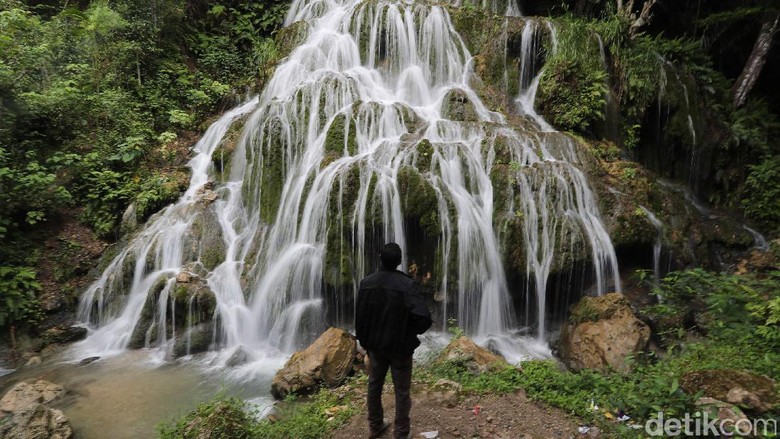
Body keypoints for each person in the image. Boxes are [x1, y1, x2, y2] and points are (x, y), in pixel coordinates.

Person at [355, 243, 432, 439]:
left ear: (380, 259)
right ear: (399, 262)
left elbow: (361, 317)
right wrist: (409, 332)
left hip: (376, 346)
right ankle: (401, 433)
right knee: (402, 391)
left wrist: (364, 341)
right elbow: (424, 318)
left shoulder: (366, 283)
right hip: (400, 347)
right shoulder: (407, 285)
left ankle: (375, 425)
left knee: (374, 385)